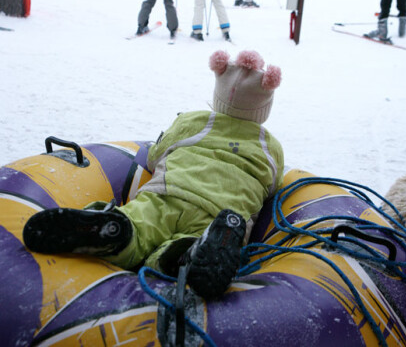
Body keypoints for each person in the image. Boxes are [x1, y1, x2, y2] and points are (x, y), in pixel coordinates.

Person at [23, 50, 284, 300]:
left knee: (141, 222)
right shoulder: (271, 148)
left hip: (167, 193)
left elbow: (155, 154)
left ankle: (116, 231)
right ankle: (185, 255)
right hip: (219, 215)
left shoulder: (192, 122)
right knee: (191, 244)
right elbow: (271, 187)